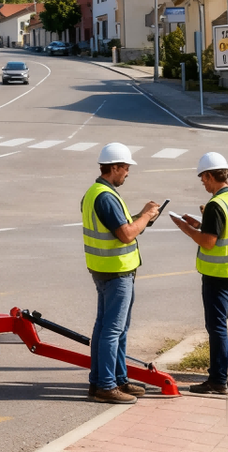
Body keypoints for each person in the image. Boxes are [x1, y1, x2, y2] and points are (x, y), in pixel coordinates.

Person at [81, 142, 160, 404]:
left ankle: (112, 380)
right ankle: (106, 385)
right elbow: (125, 234)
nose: (128, 172)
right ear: (114, 168)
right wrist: (146, 216)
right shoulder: (105, 196)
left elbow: (118, 226)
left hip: (104, 269)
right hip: (116, 271)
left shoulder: (95, 193)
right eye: (125, 167)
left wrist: (142, 217)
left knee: (108, 327)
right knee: (113, 330)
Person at [172, 152, 228, 395]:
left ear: (210, 175)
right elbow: (227, 231)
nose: (203, 183)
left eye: (203, 178)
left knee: (217, 327)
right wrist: (200, 223)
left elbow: (208, 242)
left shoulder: (216, 205)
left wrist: (186, 228)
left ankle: (218, 380)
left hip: (218, 275)